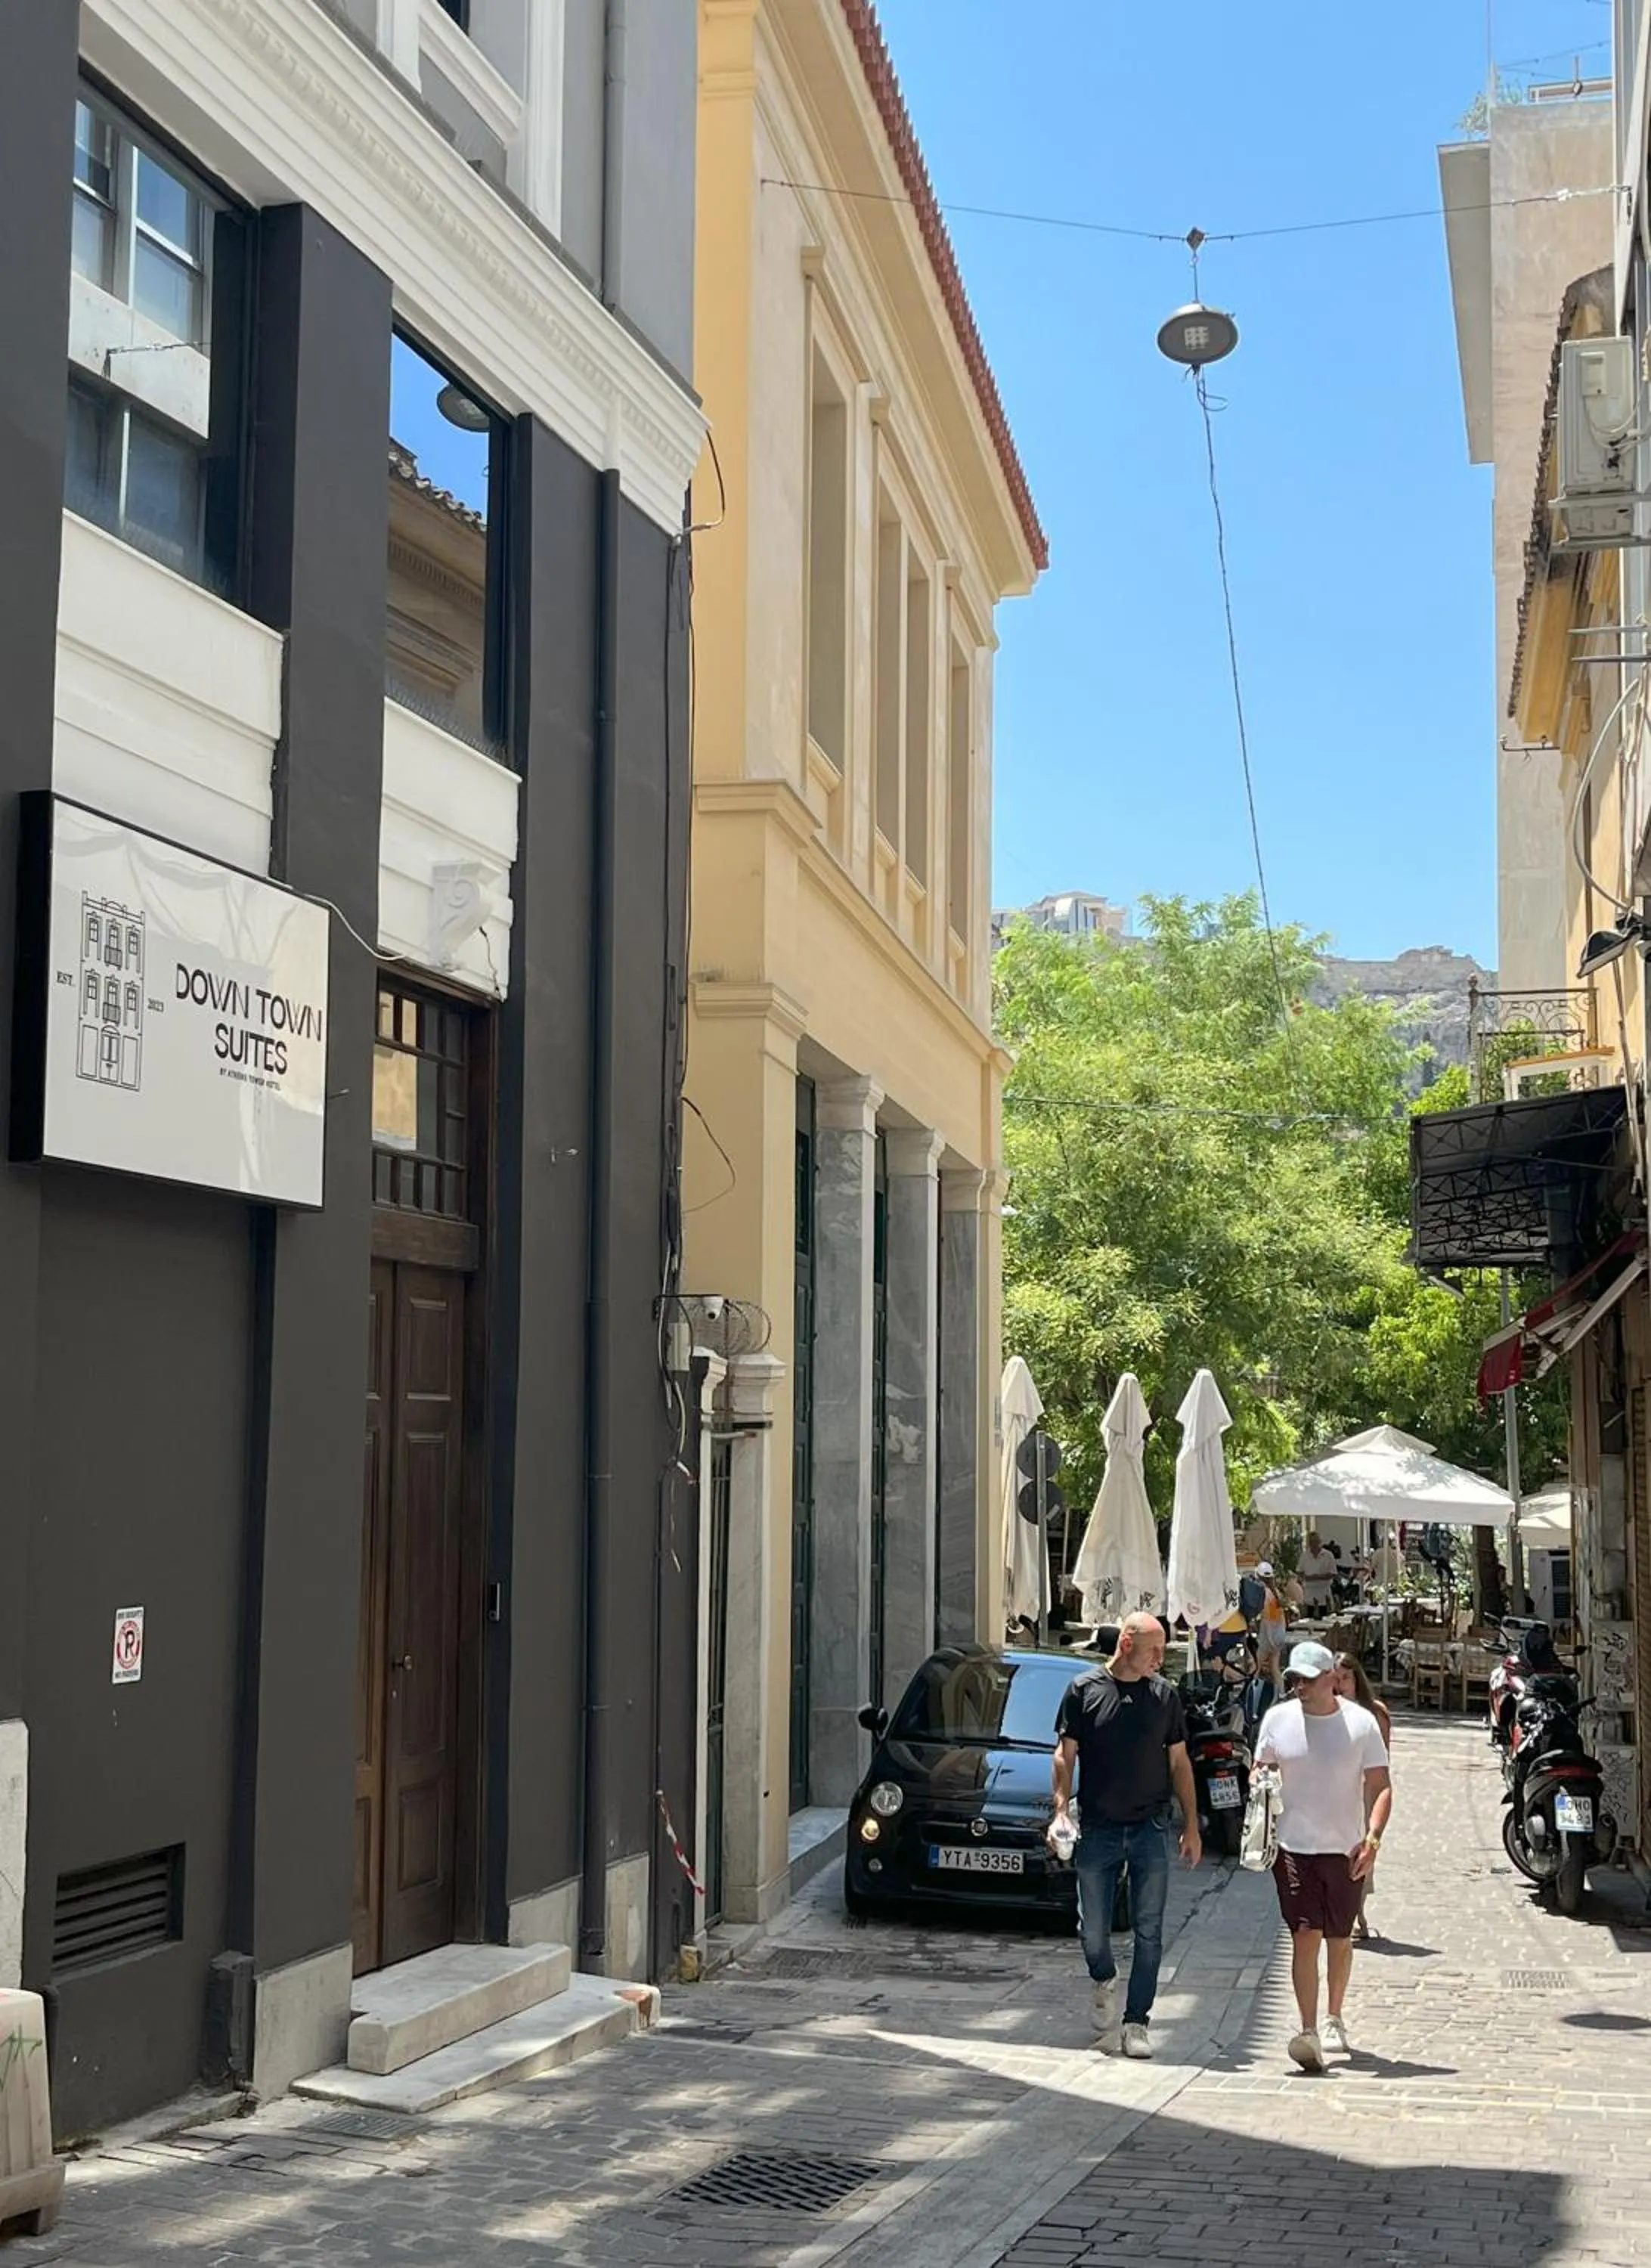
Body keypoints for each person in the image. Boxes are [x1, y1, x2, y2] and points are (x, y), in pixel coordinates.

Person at [1049, 1612, 1201, 2059]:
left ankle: (1136, 2022)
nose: (1160, 1658)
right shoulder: (1084, 1691)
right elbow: (1064, 1755)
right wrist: (1061, 1810)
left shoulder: (1164, 1696)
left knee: (1149, 1930)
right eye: (1155, 1649)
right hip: (1098, 1827)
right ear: (1128, 1644)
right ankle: (1104, 1977)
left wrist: (1191, 1825)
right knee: (1092, 1930)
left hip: (1151, 1827)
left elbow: (1179, 1762)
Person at [1253, 1640, 1391, 2072]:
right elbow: (1261, 1769)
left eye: (1309, 1680)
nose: (1300, 1687)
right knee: (1304, 1935)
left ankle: (1334, 2016)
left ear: (1332, 1678)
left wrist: (1372, 1840)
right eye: (1294, 1680)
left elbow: (1380, 1786)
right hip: (1293, 1847)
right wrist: (1261, 1779)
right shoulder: (1277, 1719)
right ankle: (1308, 2028)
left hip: (1345, 1848)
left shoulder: (1361, 1724)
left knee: (1339, 1938)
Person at [1332, 1652, 1390, 1942]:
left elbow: (1383, 1759)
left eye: (1346, 1678)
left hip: (1365, 1788)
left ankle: (1358, 1910)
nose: (1341, 1685)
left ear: (1357, 1679)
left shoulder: (1374, 1713)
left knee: (1364, 1845)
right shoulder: (1328, 1711)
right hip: (1337, 1788)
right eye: (1336, 1679)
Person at [1298, 1531, 1338, 1616]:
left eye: (1316, 1541)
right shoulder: (1304, 1556)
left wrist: (1318, 1577)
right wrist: (1305, 1577)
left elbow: (1333, 1573)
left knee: (1325, 1618)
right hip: (1309, 1594)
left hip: (1324, 1593)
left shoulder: (1328, 1555)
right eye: (1311, 1542)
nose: (1314, 1544)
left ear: (1320, 1542)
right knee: (1309, 1618)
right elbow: (1300, 1572)